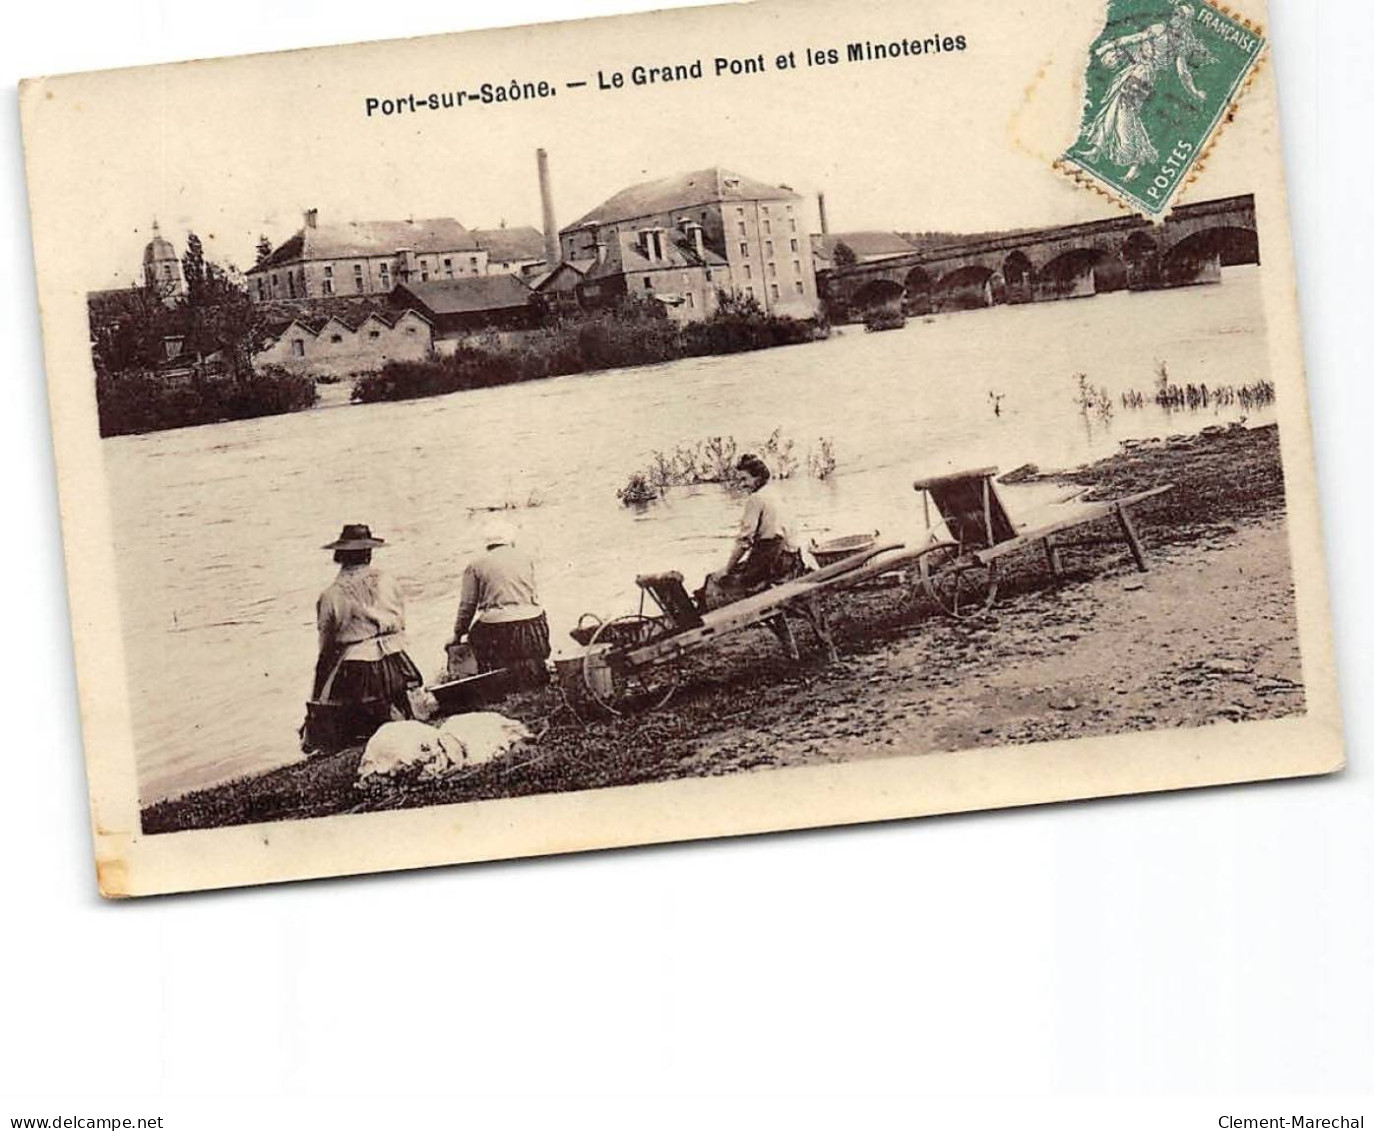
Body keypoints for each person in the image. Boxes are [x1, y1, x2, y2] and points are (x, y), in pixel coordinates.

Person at [308, 523, 424, 750]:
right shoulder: (388, 580)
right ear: (369, 553)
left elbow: (326, 643)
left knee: (344, 715)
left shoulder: (331, 595)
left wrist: (321, 679)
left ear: (340, 555)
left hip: (360, 670)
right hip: (397, 661)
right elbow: (401, 621)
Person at [448, 522, 551, 690]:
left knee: (476, 637)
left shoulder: (476, 564)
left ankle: (489, 680)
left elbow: (467, 606)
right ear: (511, 541)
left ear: (487, 544)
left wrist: (458, 634)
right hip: (533, 623)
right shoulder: (526, 557)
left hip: (498, 626)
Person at [703, 454, 807, 607]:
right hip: (792, 561)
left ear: (758, 477)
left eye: (745, 479)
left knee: (713, 579)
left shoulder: (756, 499)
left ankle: (703, 614)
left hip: (772, 564)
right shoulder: (775, 493)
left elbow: (744, 542)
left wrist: (727, 569)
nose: (742, 485)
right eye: (740, 480)